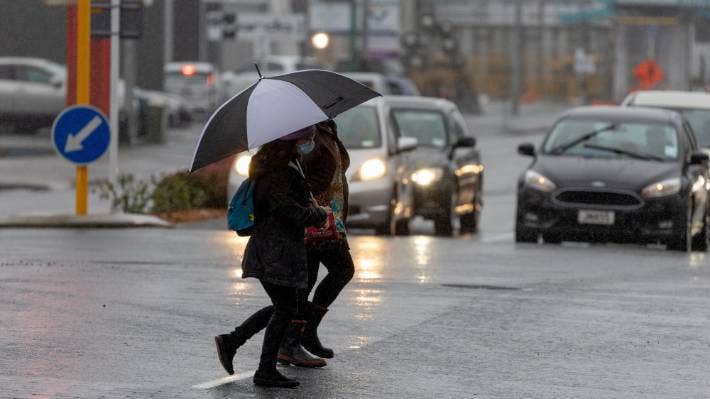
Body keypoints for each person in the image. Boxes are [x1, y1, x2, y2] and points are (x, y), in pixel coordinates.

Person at [214, 125, 329, 389]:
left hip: (274, 248)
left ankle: (233, 343)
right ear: (292, 142)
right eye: (306, 139)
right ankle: (262, 368)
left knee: (284, 306)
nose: (309, 144)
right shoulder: (278, 172)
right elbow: (287, 211)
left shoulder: (280, 166)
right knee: (286, 307)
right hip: (275, 250)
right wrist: (317, 214)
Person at [277, 120, 355, 365]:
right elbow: (301, 171)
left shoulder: (325, 128)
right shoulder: (309, 132)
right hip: (316, 219)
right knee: (336, 271)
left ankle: (297, 339)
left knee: (308, 279)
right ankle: (296, 339)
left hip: (328, 218)